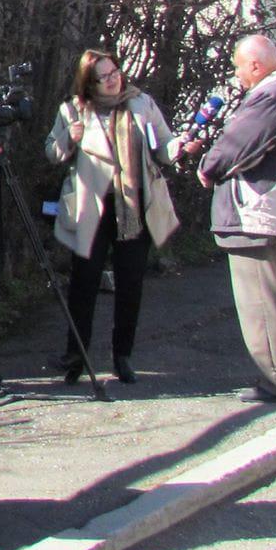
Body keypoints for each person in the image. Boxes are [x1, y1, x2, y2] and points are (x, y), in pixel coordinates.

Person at [183, 35, 276, 403]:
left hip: (259, 216)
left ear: (255, 66)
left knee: (262, 305)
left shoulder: (271, 97)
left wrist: (207, 166)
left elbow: (236, 146)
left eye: (239, 67)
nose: (238, 75)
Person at [42, 50, 180, 385]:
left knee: (130, 283)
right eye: (103, 76)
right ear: (89, 83)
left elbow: (164, 147)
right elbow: (52, 153)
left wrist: (180, 147)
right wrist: (69, 137)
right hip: (92, 208)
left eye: (114, 72)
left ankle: (123, 356)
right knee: (83, 285)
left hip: (133, 206)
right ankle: (76, 356)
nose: (112, 79)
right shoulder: (74, 109)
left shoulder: (141, 103)